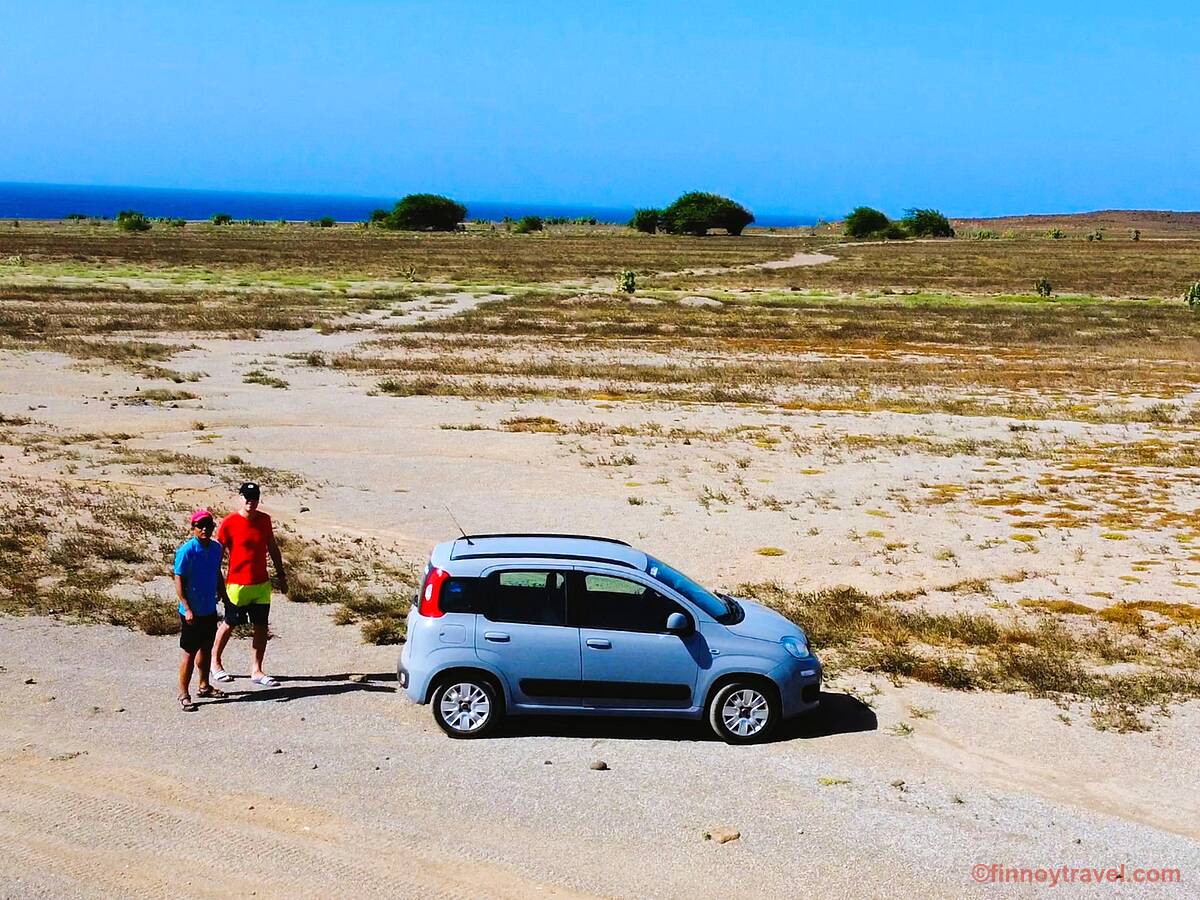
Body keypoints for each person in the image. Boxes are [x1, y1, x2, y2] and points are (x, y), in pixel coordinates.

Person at [210, 482, 288, 687]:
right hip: (237, 584)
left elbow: (272, 547)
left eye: (253, 497)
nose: (249, 501)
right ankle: (215, 663)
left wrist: (281, 575)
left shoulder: (264, 520)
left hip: (261, 583)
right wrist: (216, 584)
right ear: (240, 497)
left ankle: (257, 669)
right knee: (230, 623)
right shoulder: (229, 522)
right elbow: (217, 555)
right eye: (246, 497)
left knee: (261, 626)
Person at [174, 509, 228, 711]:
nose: (205, 529)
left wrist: (223, 595)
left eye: (208, 526)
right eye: (200, 526)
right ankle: (183, 693)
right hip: (192, 611)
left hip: (208, 608)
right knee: (189, 652)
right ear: (193, 528)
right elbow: (179, 579)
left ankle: (204, 685)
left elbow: (217, 574)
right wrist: (186, 607)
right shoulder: (186, 551)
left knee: (206, 648)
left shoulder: (215, 548)